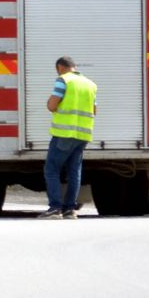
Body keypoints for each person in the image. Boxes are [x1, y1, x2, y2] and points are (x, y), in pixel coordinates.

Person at [41, 56, 98, 218]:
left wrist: (49, 104)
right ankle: (69, 209)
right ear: (75, 66)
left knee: (52, 169)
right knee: (74, 171)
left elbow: (52, 106)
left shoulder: (63, 80)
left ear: (60, 67)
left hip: (64, 134)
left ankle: (55, 208)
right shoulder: (90, 84)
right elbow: (94, 111)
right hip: (83, 135)